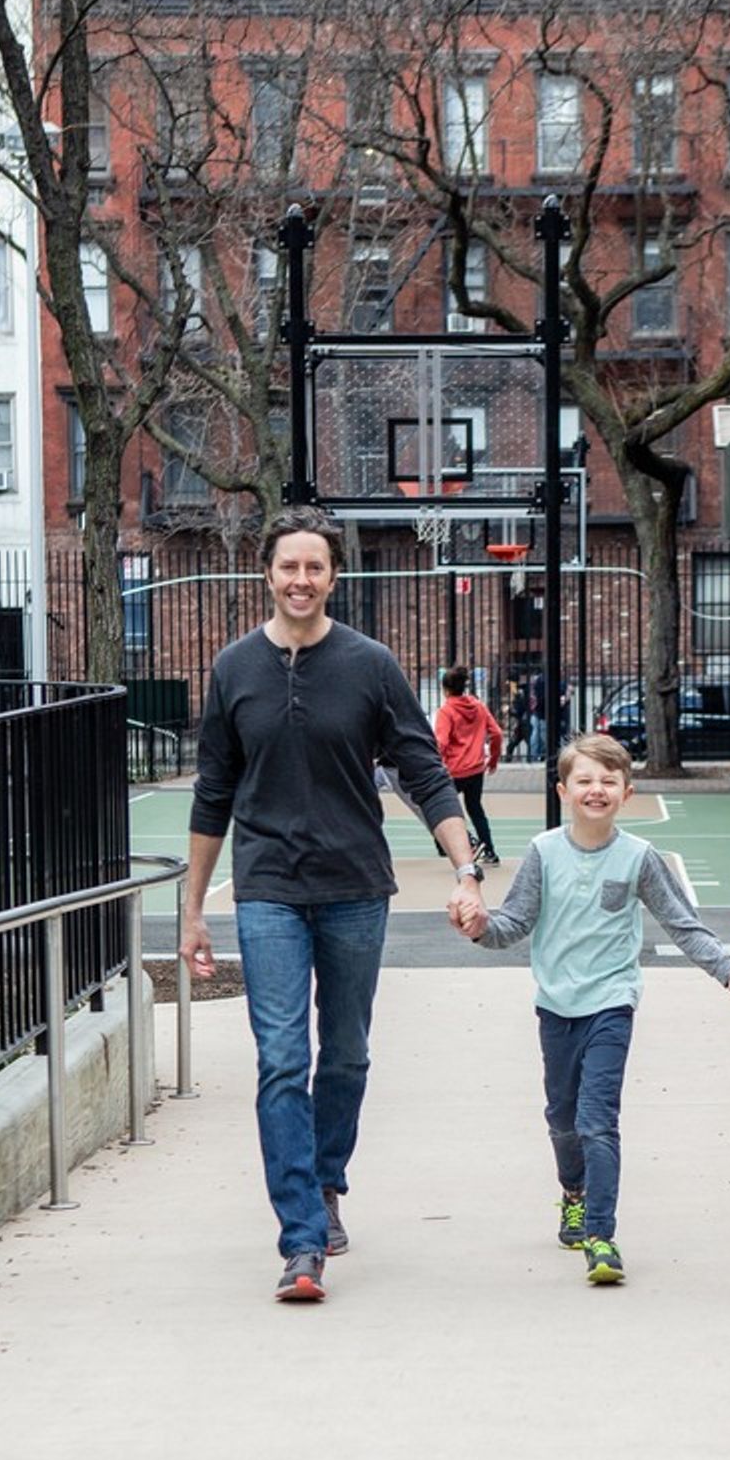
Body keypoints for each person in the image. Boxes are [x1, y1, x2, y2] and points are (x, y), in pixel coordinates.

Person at [181, 507, 486, 1304]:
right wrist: (192, 913)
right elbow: (212, 795)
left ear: (334, 578)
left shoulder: (370, 665)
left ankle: (326, 1180)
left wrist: (465, 867)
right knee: (282, 1058)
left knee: (344, 1053)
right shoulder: (234, 669)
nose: (302, 581)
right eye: (289, 567)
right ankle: (301, 1241)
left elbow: (424, 773)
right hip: (269, 890)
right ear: (269, 574)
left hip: (355, 888)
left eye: (315, 568)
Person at [454, 732, 730, 1284]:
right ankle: (573, 1190)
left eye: (608, 781)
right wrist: (479, 928)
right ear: (563, 790)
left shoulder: (639, 858)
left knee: (597, 1121)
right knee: (562, 1121)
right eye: (585, 780)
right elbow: (512, 925)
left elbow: (683, 926)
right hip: (555, 1005)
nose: (597, 790)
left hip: (613, 1002)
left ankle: (601, 1235)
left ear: (627, 792)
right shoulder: (543, 853)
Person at [434, 664, 504, 867]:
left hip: (454, 770)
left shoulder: (446, 711)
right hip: (475, 769)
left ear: (445, 689)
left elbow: (441, 743)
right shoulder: (478, 706)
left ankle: (463, 843)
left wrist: (438, 764)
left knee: (441, 809)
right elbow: (497, 733)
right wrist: (493, 759)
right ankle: (489, 850)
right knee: (475, 809)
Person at [504, 679, 530, 762]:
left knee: (529, 743)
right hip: (521, 725)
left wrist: (509, 711)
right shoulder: (520, 696)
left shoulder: (521, 697)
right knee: (512, 744)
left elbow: (519, 711)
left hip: (524, 725)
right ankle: (508, 759)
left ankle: (532, 758)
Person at [527, 671, 546, 762]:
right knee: (542, 735)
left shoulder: (538, 681)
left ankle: (534, 756)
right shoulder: (543, 681)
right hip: (542, 713)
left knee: (536, 734)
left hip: (536, 712)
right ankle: (541, 755)